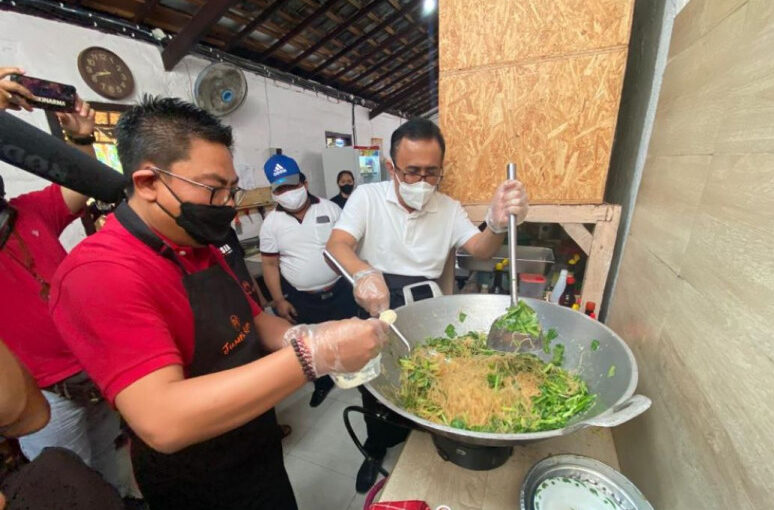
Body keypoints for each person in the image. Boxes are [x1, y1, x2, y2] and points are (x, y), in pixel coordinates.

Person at [49, 96, 388, 510]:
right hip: (196, 471)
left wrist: (309, 333)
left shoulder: (199, 242)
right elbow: (163, 419)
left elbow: (251, 319)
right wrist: (313, 355)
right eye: (215, 189)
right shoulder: (100, 273)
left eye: (233, 189)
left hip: (254, 435)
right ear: (148, 183)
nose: (229, 204)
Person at [326, 118, 529, 492]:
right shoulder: (367, 198)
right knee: (375, 387)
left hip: (426, 305)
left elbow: (480, 249)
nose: (422, 182)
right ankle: (374, 448)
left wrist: (497, 224)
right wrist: (363, 274)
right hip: (376, 301)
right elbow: (336, 245)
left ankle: (423, 448)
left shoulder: (448, 208)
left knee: (426, 381)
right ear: (391, 167)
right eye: (412, 172)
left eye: (431, 173)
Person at [0, 66, 131, 497]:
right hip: (46, 397)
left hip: (93, 369)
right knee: (69, 491)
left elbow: (77, 187)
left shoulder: (27, 211)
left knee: (107, 471)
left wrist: (79, 138)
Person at [260, 155, 358, 407]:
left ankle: (355, 374)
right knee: (313, 346)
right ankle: (322, 383)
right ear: (274, 192)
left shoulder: (330, 209)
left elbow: (349, 247)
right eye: (281, 189)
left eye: (292, 186)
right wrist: (279, 300)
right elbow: (270, 265)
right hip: (303, 298)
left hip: (340, 290)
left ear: (304, 182)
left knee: (348, 335)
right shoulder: (271, 224)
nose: (288, 193)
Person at [0, 340, 125, 510]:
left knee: (105, 463)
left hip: (95, 366)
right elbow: (28, 418)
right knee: (60, 480)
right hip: (43, 386)